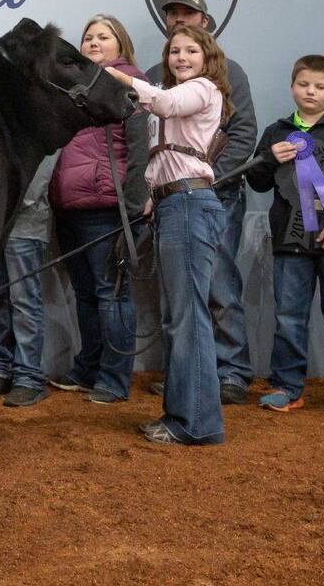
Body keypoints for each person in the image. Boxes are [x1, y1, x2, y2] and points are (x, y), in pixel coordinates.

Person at [108, 25, 230, 445]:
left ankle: (197, 423)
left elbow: (160, 102)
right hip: (173, 204)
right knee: (178, 318)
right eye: (175, 50)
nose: (181, 56)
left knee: (188, 318)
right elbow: (165, 153)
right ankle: (180, 416)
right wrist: (150, 199)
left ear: (206, 57)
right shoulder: (182, 95)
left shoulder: (202, 88)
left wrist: (118, 75)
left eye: (191, 50)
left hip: (190, 204)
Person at [245, 55, 324, 417]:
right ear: (292, 88)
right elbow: (256, 181)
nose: (311, 92)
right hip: (291, 241)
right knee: (289, 315)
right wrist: (269, 158)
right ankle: (286, 386)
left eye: (320, 87)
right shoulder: (277, 131)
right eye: (304, 84)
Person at [145, 0, 257, 403]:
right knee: (177, 290)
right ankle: (185, 371)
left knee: (220, 285)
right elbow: (153, 137)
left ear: (205, 22)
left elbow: (243, 130)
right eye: (173, 14)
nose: (179, 19)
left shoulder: (228, 72)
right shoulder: (158, 73)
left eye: (188, 14)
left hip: (214, 193)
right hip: (170, 194)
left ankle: (231, 371)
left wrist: (211, 177)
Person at [47, 14, 150, 404]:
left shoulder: (130, 86)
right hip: (70, 206)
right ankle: (88, 369)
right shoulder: (74, 87)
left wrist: (130, 204)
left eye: (102, 37)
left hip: (108, 206)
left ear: (120, 44)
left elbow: (140, 149)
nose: (92, 42)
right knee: (88, 293)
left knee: (111, 294)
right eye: (88, 37)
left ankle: (114, 378)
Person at [0, 154, 57, 407]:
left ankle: (29, 378)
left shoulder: (39, 130)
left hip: (24, 225)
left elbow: (36, 184)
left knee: (23, 301)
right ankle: (4, 369)